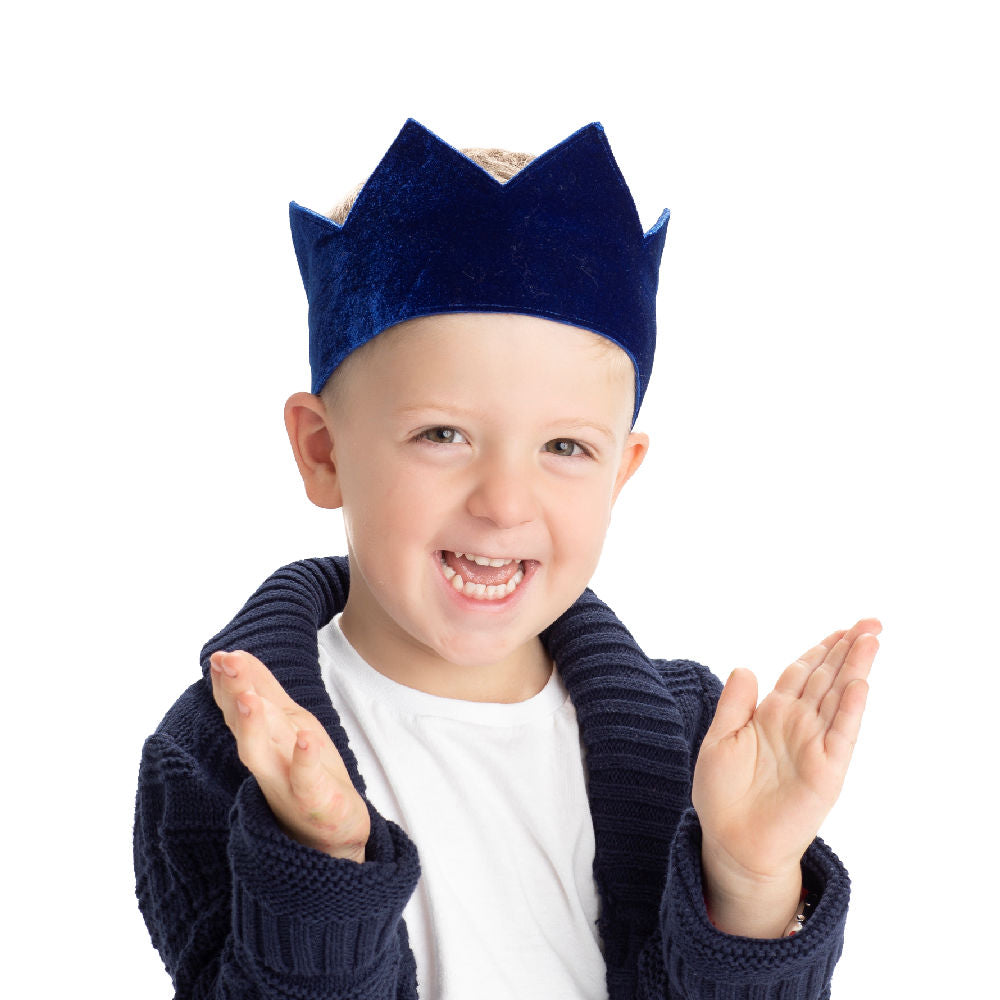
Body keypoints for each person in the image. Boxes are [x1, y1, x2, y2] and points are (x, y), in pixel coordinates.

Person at [133, 118, 880, 1000]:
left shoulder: (697, 741)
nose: (505, 502)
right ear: (324, 451)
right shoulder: (219, 755)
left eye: (565, 447)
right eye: (443, 434)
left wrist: (749, 879)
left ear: (620, 473)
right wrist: (322, 862)